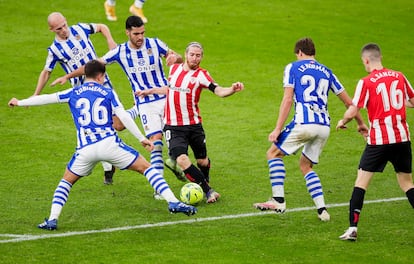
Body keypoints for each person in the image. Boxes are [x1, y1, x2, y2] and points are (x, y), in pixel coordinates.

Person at [8, 60, 197, 231]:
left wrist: (20, 102)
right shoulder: (107, 92)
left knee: (66, 182)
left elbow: (47, 98)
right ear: (100, 76)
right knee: (147, 168)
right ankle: (173, 202)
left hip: (85, 149)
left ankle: (52, 219)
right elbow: (122, 117)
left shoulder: (73, 92)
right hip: (109, 144)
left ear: (85, 75)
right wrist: (141, 138)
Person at [51, 16, 187, 199]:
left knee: (179, 135)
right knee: (155, 141)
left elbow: (178, 59)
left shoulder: (155, 44)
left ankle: (178, 161)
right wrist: (68, 77)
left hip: (168, 96)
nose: (140, 37)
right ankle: (159, 189)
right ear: (128, 32)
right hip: (145, 102)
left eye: (142, 33)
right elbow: (93, 66)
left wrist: (174, 57)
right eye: (136, 33)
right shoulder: (120, 52)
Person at [253, 37, 368, 221]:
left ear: (299, 52)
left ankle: (278, 200)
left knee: (273, 153)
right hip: (324, 127)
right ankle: (322, 211)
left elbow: (288, 99)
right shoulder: (327, 72)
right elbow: (349, 102)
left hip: (304, 123)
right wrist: (361, 124)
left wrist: (277, 129)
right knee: (306, 166)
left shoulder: (293, 67)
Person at [137, 41, 244, 203]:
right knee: (182, 159)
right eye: (192, 55)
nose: (194, 58)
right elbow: (170, 89)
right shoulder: (174, 69)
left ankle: (203, 180)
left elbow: (219, 91)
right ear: (186, 55)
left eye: (198, 56)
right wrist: (150, 91)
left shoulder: (202, 75)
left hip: (193, 125)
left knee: (203, 161)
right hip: (173, 127)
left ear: (202, 57)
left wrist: (232, 89)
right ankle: (208, 191)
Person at [336, 43, 414, 241]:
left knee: (361, 183)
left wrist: (343, 120)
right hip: (402, 139)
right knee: (407, 183)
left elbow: (354, 108)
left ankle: (353, 228)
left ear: (366, 60)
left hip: (379, 141)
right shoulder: (399, 76)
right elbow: (412, 101)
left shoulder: (367, 82)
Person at [34, 12, 118, 185]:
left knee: (116, 123)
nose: (64, 30)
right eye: (59, 28)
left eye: (64, 25)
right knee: (89, 128)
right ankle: (106, 165)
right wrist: (36, 94)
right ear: (51, 30)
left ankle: (108, 160)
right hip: (81, 94)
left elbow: (102, 27)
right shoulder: (55, 50)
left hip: (103, 85)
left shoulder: (80, 28)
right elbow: (46, 71)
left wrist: (109, 40)